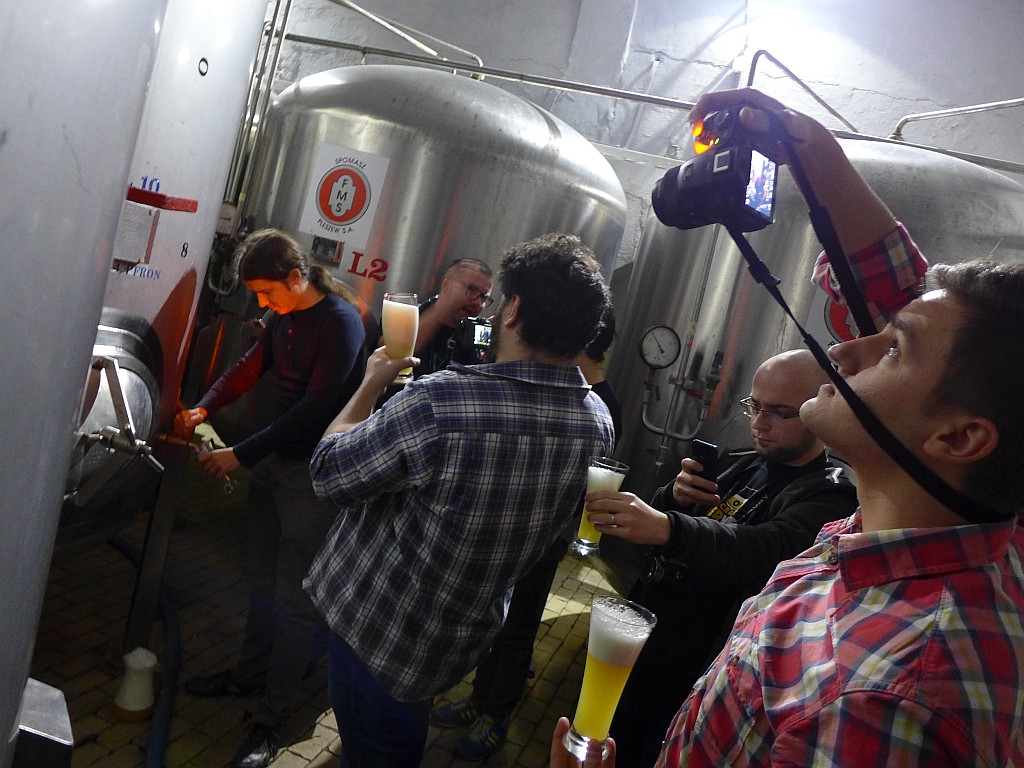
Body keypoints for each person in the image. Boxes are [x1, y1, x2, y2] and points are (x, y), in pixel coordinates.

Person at [556, 87, 1024, 767]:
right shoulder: (963, 524)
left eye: (892, 348)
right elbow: (922, 324)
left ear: (958, 439)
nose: (846, 349)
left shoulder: (877, 702)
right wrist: (817, 155)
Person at [304, 232, 616, 767]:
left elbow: (328, 474)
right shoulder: (598, 423)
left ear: (512, 310)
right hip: (457, 637)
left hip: (377, 630)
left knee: (375, 748)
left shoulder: (441, 400)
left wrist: (370, 384)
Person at [583, 349, 857, 767]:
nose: (759, 423)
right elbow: (676, 526)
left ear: (819, 409)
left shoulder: (830, 495)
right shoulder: (741, 463)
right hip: (651, 651)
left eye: (780, 413)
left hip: (698, 676)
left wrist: (670, 526)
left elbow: (763, 549)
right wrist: (674, 497)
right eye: (755, 406)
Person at [175, 229, 365, 768]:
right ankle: (249, 675)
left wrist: (240, 454)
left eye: (266, 291)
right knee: (260, 580)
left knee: (295, 602)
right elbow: (250, 365)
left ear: (296, 277)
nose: (262, 303)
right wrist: (205, 407)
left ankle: (273, 719)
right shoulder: (285, 317)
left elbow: (315, 408)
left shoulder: (340, 323)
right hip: (274, 463)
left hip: (312, 474)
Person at [430, 308, 623, 762]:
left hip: (545, 539)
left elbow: (589, 486)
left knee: (517, 631)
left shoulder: (600, 402)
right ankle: (479, 698)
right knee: (495, 621)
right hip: (512, 529)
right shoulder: (564, 388)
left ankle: (496, 715)